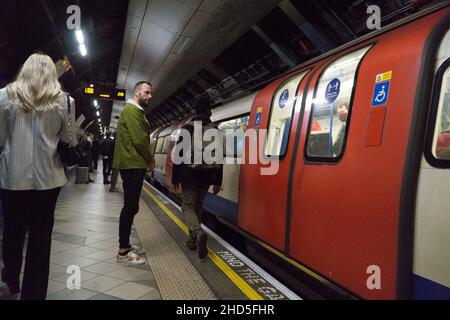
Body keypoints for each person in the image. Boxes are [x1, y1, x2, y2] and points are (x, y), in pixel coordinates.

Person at [0, 53, 75, 300]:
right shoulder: (65, 101)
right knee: (41, 239)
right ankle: (34, 294)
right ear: (53, 73)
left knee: (12, 231)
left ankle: (11, 279)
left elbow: (0, 140)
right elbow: (69, 140)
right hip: (49, 180)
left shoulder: (4, 96)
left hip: (12, 178)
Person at [172, 97, 223, 259]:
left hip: (189, 174)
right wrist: (217, 181)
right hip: (207, 175)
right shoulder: (216, 130)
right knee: (198, 206)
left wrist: (175, 178)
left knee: (187, 206)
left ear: (195, 111)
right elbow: (220, 157)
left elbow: (178, 155)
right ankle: (192, 240)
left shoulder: (187, 128)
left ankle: (197, 233)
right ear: (209, 111)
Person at [113, 81, 154, 265]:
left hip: (132, 163)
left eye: (150, 93)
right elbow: (140, 140)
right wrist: (150, 159)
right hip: (132, 164)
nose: (150, 96)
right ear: (137, 92)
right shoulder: (132, 111)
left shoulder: (134, 111)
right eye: (146, 92)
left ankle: (126, 245)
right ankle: (123, 251)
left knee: (132, 206)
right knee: (130, 207)